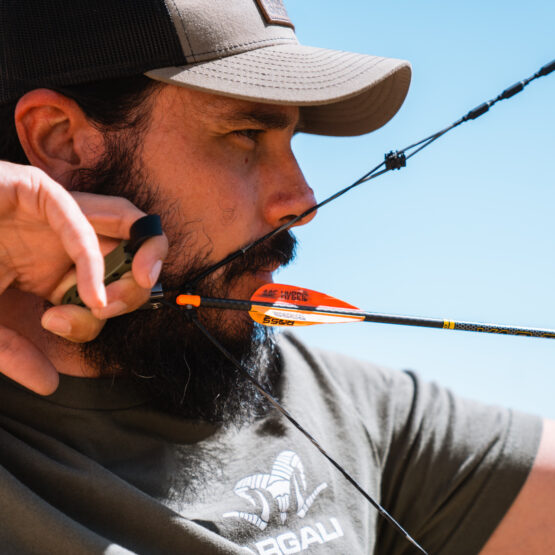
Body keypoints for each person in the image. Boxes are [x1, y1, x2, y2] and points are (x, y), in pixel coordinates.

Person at [0, 1, 553, 553]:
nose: (303, 202)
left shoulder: (344, 410)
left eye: (291, 140)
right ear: (60, 141)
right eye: (245, 133)